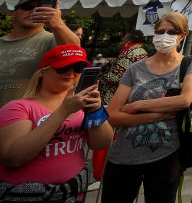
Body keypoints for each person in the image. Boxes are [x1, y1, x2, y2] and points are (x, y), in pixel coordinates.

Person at [101, 12, 192, 203]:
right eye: (160, 31)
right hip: (123, 155)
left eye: (172, 32)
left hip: (166, 156)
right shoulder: (135, 68)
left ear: (183, 35)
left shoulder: (189, 63)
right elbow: (112, 115)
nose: (165, 36)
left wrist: (137, 105)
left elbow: (184, 100)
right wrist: (157, 115)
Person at [0, 45, 113, 201]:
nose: (71, 73)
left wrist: (96, 111)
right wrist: (63, 111)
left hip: (73, 193)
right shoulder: (18, 107)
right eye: (63, 68)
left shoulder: (81, 106)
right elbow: (13, 158)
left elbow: (102, 143)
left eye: (78, 68)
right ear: (42, 73)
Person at [0, 0, 81, 107]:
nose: (34, 10)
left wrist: (57, 23)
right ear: (12, 14)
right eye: (27, 6)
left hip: (28, 118)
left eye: (40, 7)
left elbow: (74, 53)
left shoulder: (51, 39)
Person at [100, 30, 149, 108]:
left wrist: (100, 76)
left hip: (116, 96)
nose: (121, 42)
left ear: (128, 42)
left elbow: (116, 77)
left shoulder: (128, 53)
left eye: (122, 40)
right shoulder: (142, 51)